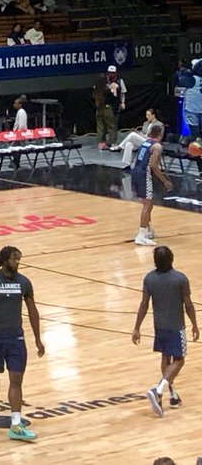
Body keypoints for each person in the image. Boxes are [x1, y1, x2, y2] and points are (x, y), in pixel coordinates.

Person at [0, 245, 45, 442]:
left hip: (16, 339)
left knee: (16, 379)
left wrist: (38, 338)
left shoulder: (24, 283)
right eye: (15, 259)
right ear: (4, 259)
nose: (18, 262)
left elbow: (32, 311)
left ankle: (15, 424)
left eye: (19, 259)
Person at [132, 245, 199, 416]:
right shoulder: (180, 279)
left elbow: (144, 304)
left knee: (165, 358)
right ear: (172, 258)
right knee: (179, 360)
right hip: (176, 326)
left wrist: (137, 327)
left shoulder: (149, 279)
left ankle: (173, 396)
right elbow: (189, 305)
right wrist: (195, 324)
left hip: (159, 326)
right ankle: (158, 390)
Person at [133, 125, 172, 246]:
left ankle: (148, 231)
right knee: (148, 204)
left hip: (136, 171)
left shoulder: (146, 143)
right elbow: (153, 166)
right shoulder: (157, 146)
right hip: (144, 174)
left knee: (148, 204)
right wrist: (165, 181)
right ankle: (141, 234)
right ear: (160, 134)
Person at [93, 65, 126, 150]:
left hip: (113, 107)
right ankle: (108, 143)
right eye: (110, 73)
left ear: (116, 73)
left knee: (106, 125)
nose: (111, 75)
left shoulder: (119, 81)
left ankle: (107, 142)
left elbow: (122, 93)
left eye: (113, 73)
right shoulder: (102, 83)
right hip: (106, 107)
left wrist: (122, 102)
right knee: (109, 126)